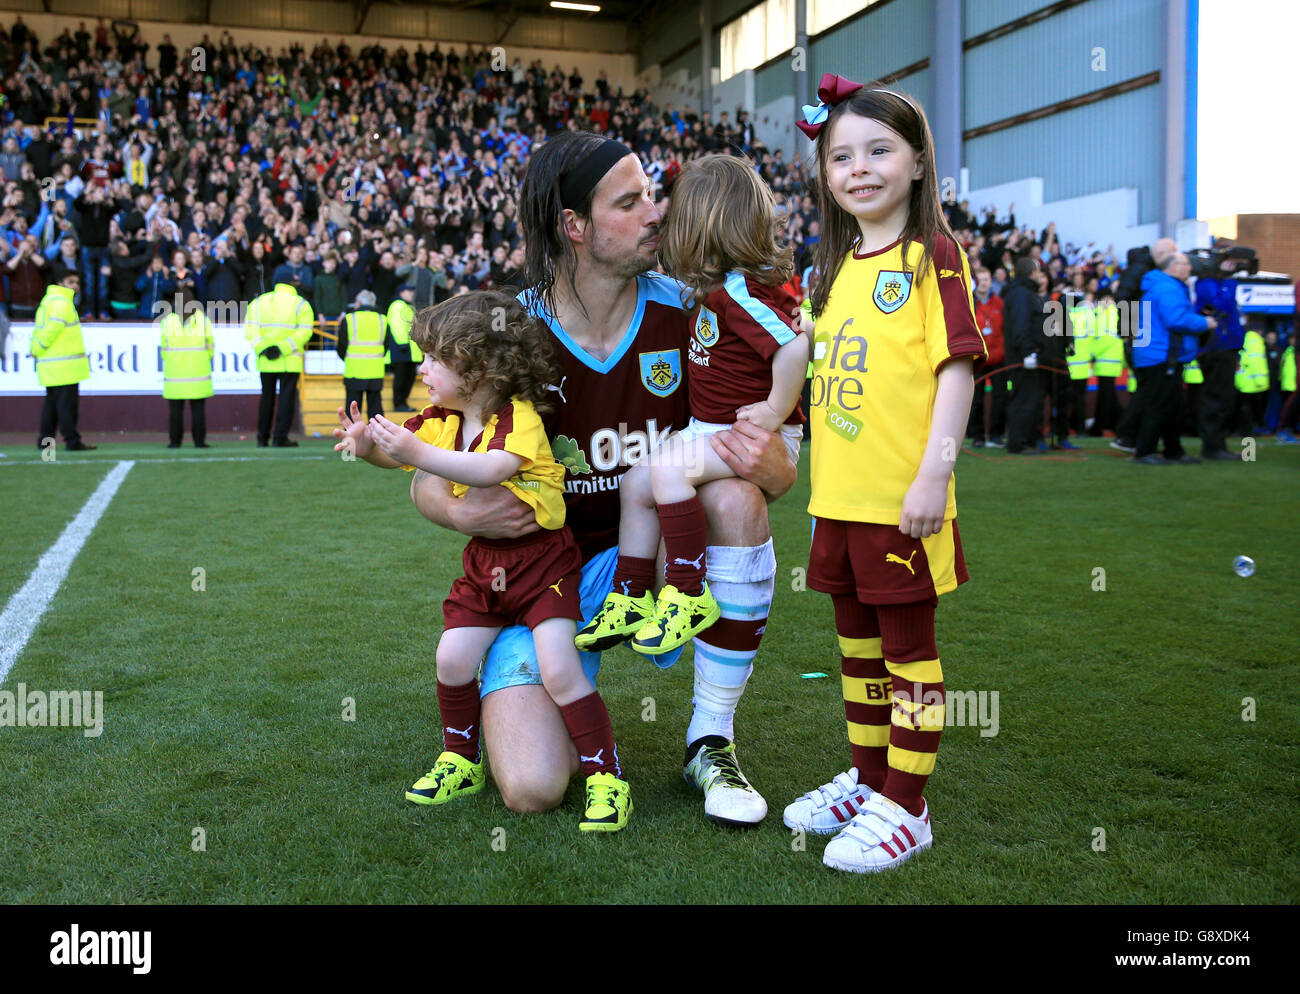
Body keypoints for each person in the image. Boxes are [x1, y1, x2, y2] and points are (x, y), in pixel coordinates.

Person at [407, 131, 797, 823]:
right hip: (539, 578)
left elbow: (775, 459)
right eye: (631, 202)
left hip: (654, 560)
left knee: (736, 498)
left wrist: (775, 464)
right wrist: (459, 513)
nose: (657, 213)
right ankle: (546, 673)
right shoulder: (510, 328)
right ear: (574, 226)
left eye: (654, 195)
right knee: (532, 789)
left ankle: (711, 738)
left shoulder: (695, 309)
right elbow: (426, 469)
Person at [334, 292, 632, 832]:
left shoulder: (517, 417)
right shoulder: (441, 419)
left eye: (433, 358)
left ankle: (606, 775)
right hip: (486, 565)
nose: (420, 368)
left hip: (544, 567)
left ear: (480, 367)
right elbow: (401, 453)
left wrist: (416, 454)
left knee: (561, 669)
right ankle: (460, 759)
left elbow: (493, 469)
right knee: (451, 658)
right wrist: (365, 446)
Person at [784, 75, 985, 872]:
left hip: (904, 503)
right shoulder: (825, 272)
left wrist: (933, 477)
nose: (859, 168)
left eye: (879, 149)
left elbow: (957, 372)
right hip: (836, 503)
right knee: (858, 654)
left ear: (916, 161)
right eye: (841, 156)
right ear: (825, 174)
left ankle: (907, 805)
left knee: (908, 654)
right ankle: (870, 782)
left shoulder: (933, 255)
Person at [576, 155, 808, 658]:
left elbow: (794, 347)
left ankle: (685, 590)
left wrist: (773, 411)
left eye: (673, 214)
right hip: (712, 428)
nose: (661, 219)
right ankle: (633, 596)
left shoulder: (741, 290)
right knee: (637, 480)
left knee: (665, 474)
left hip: (745, 432)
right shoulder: (714, 289)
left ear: (701, 227)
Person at [1131, 252, 1213, 464]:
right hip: (1162, 355)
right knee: (1160, 406)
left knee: (1170, 406)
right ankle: (1146, 452)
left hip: (1157, 354)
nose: (1189, 268)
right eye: (1185, 264)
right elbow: (1175, 319)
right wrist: (1205, 323)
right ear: (1173, 267)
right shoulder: (1168, 288)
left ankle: (1172, 450)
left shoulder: (1161, 286)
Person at [245, 273, 314, 447]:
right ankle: (280, 437)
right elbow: (305, 332)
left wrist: (264, 348)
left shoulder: (259, 302)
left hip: (267, 360)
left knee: (266, 398)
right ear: (292, 283)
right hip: (290, 360)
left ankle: (262, 438)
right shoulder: (301, 304)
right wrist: (283, 348)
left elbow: (250, 330)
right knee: (286, 400)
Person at [31, 271, 96, 451]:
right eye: (70, 282)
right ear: (60, 283)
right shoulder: (62, 303)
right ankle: (72, 441)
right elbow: (52, 329)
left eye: (77, 282)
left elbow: (43, 328)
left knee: (51, 407)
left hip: (51, 364)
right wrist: (38, 346)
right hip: (64, 366)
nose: (75, 285)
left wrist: (36, 348)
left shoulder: (49, 300)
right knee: (67, 407)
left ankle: (45, 443)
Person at [1193, 253, 1247, 460]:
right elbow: (1221, 305)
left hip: (1225, 347)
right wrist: (1229, 281)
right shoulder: (1208, 283)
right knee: (1215, 398)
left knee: (1223, 398)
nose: (1233, 264)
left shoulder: (1218, 283)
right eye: (1228, 260)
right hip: (1216, 348)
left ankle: (1217, 445)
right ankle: (1213, 447)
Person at [159, 282, 214, 448]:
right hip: (199, 372)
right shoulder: (203, 321)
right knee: (198, 410)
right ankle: (199, 441)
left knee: (175, 411)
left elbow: (163, 348)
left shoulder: (167, 321)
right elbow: (211, 347)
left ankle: (175, 442)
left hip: (175, 374)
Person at [1002, 257, 1046, 454]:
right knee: (1023, 400)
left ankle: (1026, 440)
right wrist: (1028, 351)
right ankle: (1018, 443)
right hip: (1021, 358)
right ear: (1032, 273)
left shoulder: (1022, 292)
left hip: (1024, 356)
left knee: (1028, 399)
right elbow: (1021, 325)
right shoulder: (1022, 294)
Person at [337, 289, 388, 420]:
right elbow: (387, 345)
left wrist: (349, 359)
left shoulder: (349, 319)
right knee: (376, 410)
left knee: (352, 410)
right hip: (375, 370)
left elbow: (341, 346)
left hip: (354, 369)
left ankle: (352, 439)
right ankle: (378, 438)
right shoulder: (383, 319)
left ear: (358, 302)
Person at [969, 267, 1005, 446]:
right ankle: (977, 436)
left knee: (1000, 397)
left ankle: (997, 435)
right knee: (976, 400)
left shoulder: (1000, 303)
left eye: (987, 279)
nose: (984, 283)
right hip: (978, 358)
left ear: (991, 282)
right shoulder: (969, 302)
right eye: (981, 279)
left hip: (999, 357)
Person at [386, 282, 420, 411]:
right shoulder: (398, 305)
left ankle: (402, 404)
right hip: (403, 349)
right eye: (408, 291)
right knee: (402, 378)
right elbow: (397, 325)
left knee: (407, 378)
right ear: (401, 292)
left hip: (408, 349)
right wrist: (402, 343)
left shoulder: (404, 305)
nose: (411, 293)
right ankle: (399, 404)